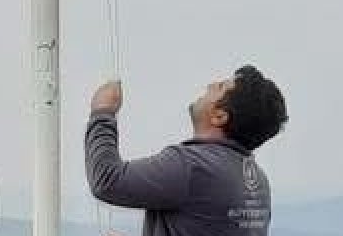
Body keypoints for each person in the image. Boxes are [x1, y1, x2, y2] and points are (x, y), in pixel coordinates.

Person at [85, 65, 288, 236]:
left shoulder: (191, 165)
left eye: (220, 87)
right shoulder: (258, 182)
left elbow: (107, 180)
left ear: (219, 116)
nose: (210, 85)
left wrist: (102, 112)